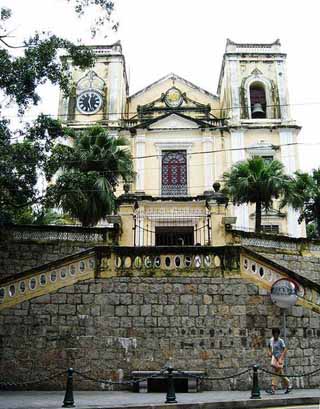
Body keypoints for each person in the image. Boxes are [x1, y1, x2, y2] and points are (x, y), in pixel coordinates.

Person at [267, 328, 292, 394]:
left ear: (278, 334)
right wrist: (269, 352)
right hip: (274, 358)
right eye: (274, 334)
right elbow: (269, 347)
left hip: (280, 358)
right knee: (280, 373)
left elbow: (285, 349)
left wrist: (281, 358)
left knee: (276, 372)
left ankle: (272, 387)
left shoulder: (281, 341)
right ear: (273, 334)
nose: (276, 336)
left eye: (277, 334)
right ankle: (289, 385)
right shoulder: (271, 340)